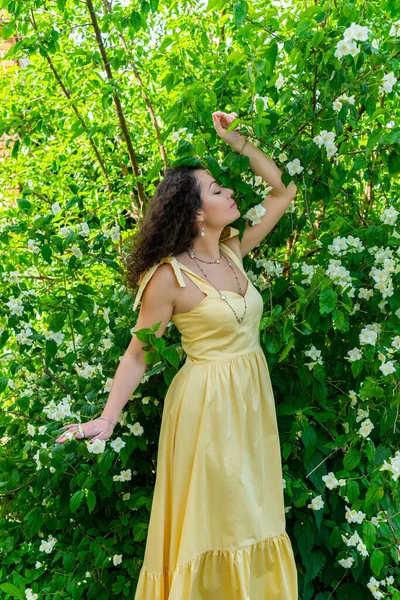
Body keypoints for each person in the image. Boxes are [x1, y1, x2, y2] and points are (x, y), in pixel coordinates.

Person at [55, 111, 299, 598]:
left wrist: (237, 141)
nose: (230, 193)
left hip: (252, 402)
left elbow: (283, 191)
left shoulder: (231, 250)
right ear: (194, 213)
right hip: (207, 409)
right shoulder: (169, 278)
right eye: (216, 191)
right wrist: (108, 418)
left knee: (255, 513)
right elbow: (137, 356)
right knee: (221, 520)